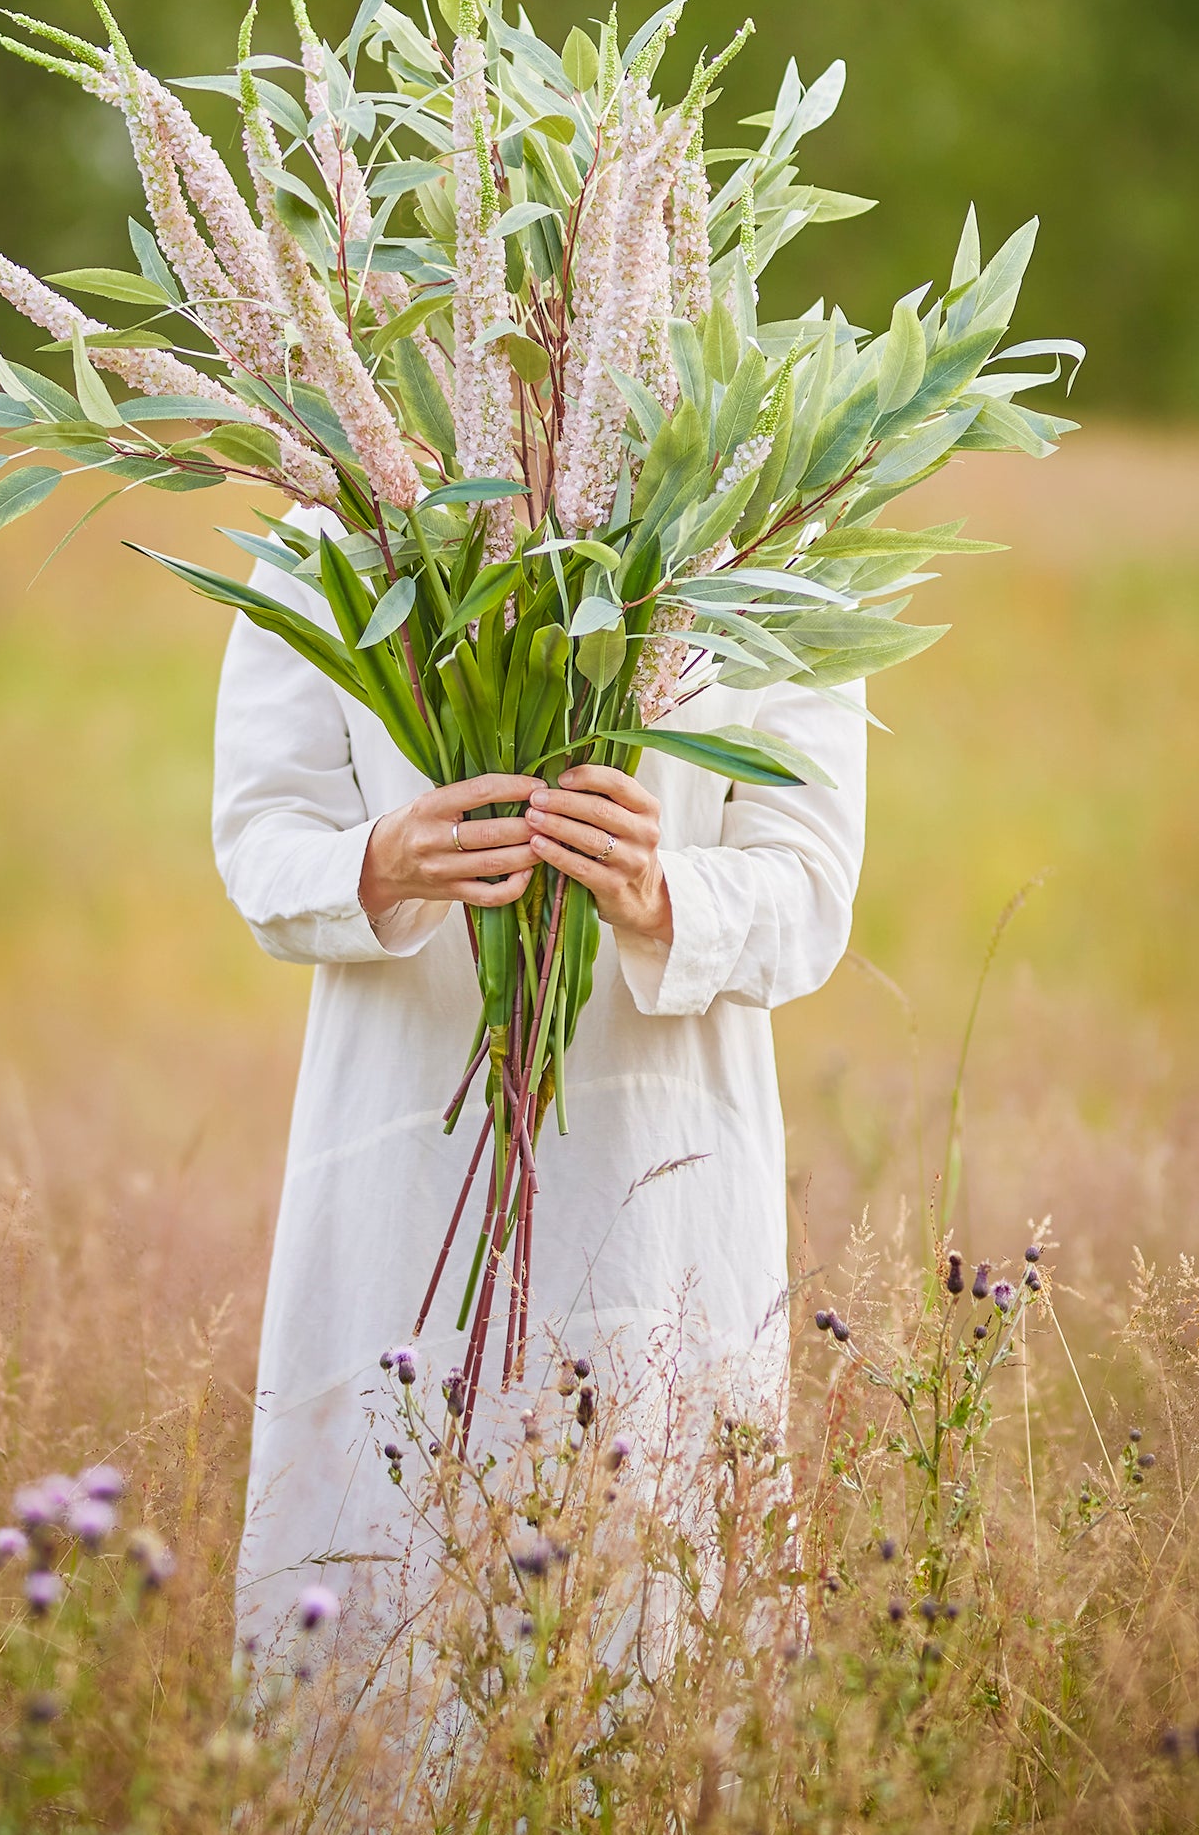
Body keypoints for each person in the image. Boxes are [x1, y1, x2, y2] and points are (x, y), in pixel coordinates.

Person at [214, 525, 867, 1659]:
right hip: (408, 1175)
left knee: (648, 1607)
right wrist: (380, 861)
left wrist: (658, 893)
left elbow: (809, 890)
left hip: (658, 1186)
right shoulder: (336, 509)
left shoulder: (771, 518)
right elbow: (260, 838)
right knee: (388, 1587)